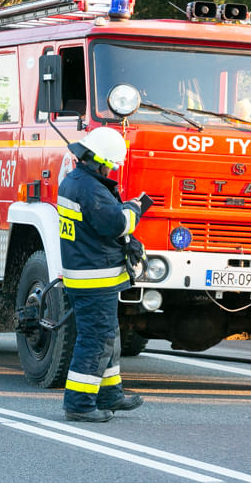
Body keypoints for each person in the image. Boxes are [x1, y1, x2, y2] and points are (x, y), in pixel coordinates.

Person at [57, 127, 145, 422]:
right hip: (94, 278)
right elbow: (116, 223)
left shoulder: (75, 182)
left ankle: (109, 394)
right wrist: (135, 208)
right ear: (98, 160)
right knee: (96, 340)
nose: (110, 170)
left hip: (87, 275)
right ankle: (79, 404)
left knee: (109, 338)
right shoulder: (91, 189)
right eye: (109, 164)